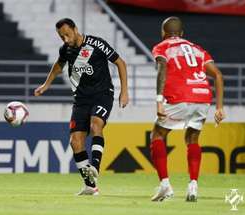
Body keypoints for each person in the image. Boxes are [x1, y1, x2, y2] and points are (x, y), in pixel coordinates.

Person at [34, 18, 129, 195]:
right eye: (61, 37)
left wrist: (125, 92)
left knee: (96, 125)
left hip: (102, 94)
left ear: (75, 29)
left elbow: (120, 63)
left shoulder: (96, 44)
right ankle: (90, 186)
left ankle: (95, 167)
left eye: (67, 35)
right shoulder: (66, 49)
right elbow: (58, 66)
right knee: (75, 142)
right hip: (81, 100)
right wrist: (45, 85)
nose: (65, 39)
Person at [150, 17, 225, 202]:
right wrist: (219, 107)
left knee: (158, 135)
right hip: (202, 97)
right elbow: (217, 75)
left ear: (163, 33)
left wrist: (159, 100)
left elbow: (162, 70)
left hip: (179, 96)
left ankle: (165, 185)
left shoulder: (162, 47)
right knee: (192, 138)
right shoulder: (197, 49)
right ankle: (193, 185)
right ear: (182, 33)